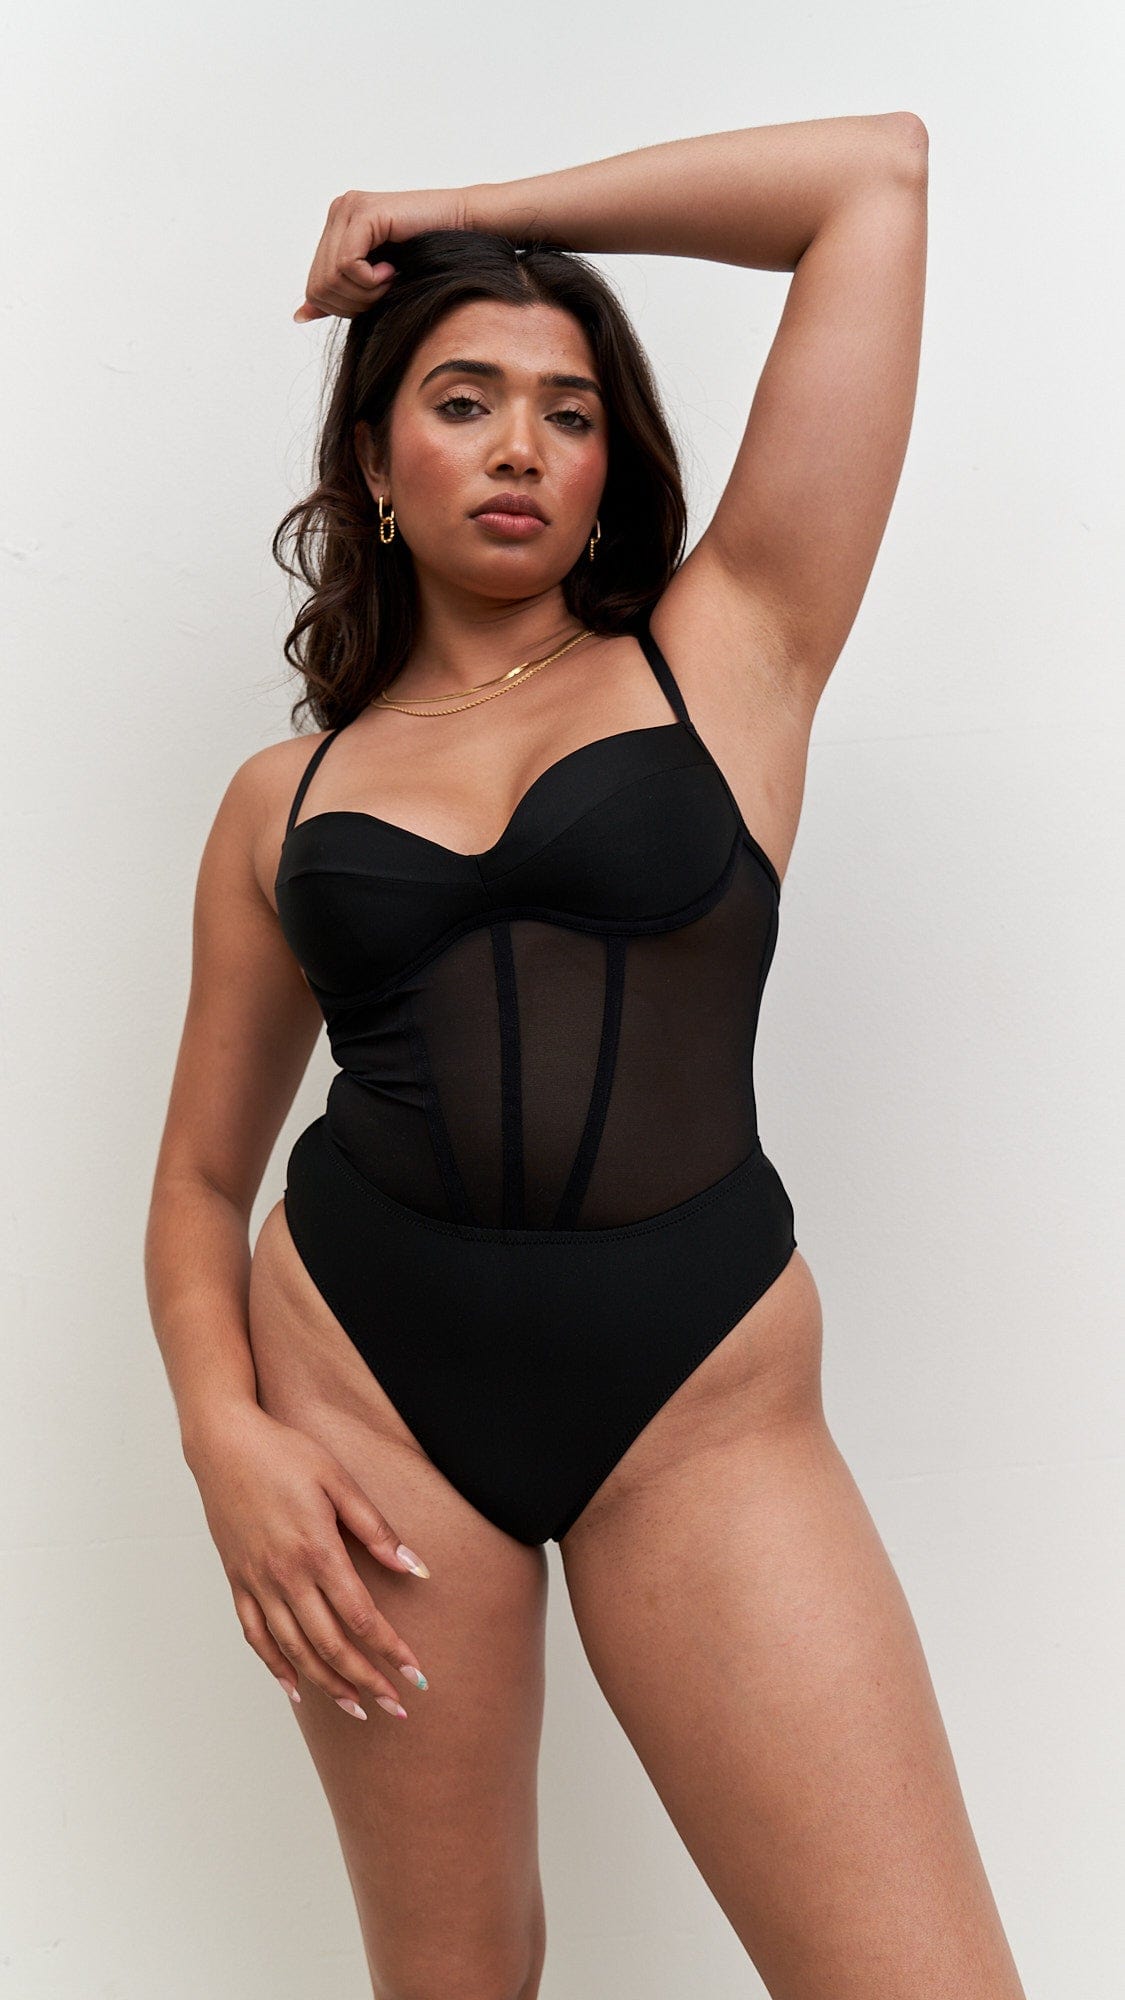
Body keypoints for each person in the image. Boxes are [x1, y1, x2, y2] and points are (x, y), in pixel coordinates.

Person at [145, 114, 1028, 1999]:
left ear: (611, 462)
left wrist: (470, 215)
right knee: (455, 1977)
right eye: (462, 400)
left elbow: (869, 182)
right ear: (375, 459)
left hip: (693, 1394)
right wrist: (226, 1438)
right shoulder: (276, 799)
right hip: (365, 1398)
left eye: (568, 410)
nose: (520, 446)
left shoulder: (731, 647)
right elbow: (201, 1177)